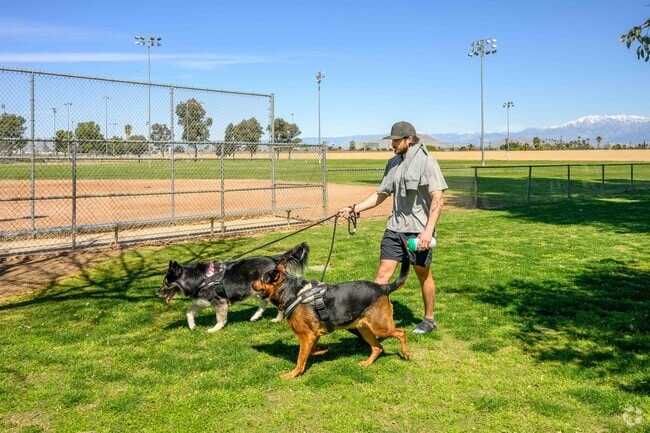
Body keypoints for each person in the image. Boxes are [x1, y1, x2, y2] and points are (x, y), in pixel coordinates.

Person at [338, 121, 448, 334]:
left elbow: (438, 198)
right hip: (394, 228)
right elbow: (381, 194)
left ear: (409, 139)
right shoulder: (393, 163)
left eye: (396, 140)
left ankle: (429, 319)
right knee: (382, 275)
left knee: (422, 274)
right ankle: (368, 319)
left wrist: (427, 230)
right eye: (392, 140)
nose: (393, 144)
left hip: (417, 230)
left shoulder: (428, 162)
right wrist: (354, 208)